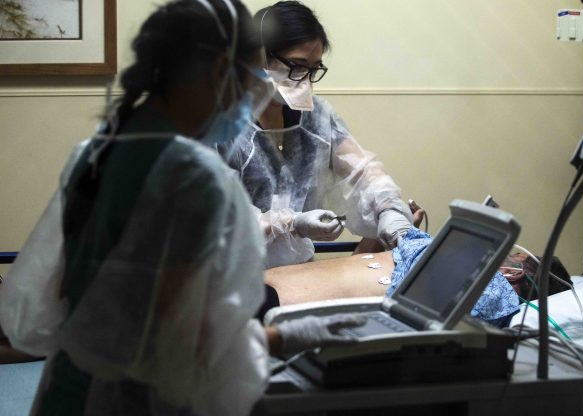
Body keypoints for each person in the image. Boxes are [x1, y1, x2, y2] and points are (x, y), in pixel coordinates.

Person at [0, 1, 365, 415]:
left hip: (66, 390)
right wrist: (285, 337)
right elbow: (193, 344)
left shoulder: (96, 152)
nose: (257, 93)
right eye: (253, 77)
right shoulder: (195, 180)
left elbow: (40, 310)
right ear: (219, 72)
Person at [216, 0, 414, 269]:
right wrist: (291, 223)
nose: (305, 80)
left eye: (313, 69)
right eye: (297, 65)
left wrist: (389, 209)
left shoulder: (315, 118)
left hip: (299, 271)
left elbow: (362, 170)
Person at [266, 225, 522, 328]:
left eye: (514, 256)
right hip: (264, 292)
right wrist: (385, 232)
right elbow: (354, 268)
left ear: (515, 272)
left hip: (270, 309)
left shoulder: (493, 288)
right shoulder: (439, 256)